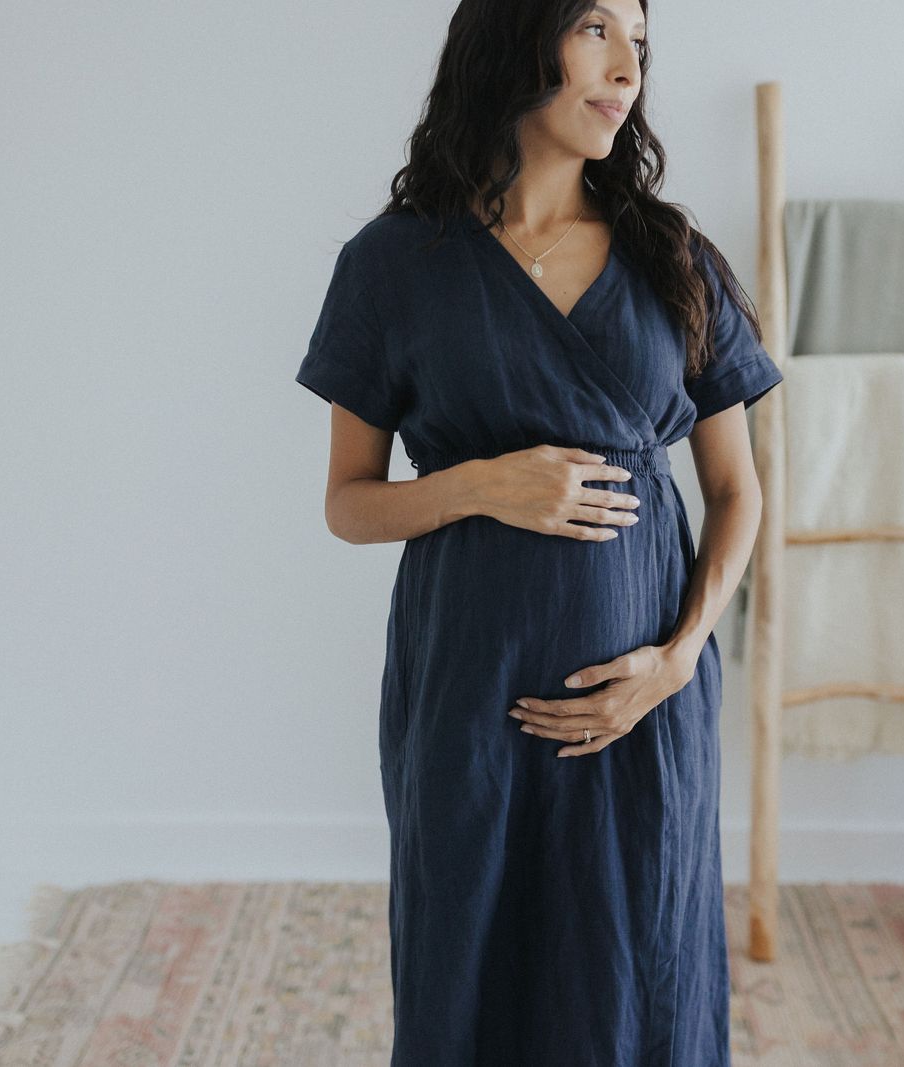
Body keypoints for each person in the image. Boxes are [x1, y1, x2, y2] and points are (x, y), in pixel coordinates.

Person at [295, 0, 783, 1062]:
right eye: (597, 30)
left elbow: (737, 491)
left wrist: (677, 658)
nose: (627, 69)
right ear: (518, 34)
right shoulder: (393, 264)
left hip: (641, 699)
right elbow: (349, 501)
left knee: (638, 970)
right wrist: (481, 484)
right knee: (470, 957)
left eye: (639, 45)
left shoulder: (672, 257)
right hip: (469, 692)